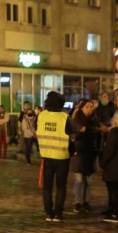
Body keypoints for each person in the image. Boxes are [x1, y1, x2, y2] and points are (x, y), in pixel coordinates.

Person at [38, 91, 72, 222]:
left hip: (46, 155)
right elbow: (70, 136)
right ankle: (58, 214)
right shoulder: (65, 117)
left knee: (47, 187)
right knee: (61, 186)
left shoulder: (41, 116)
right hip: (62, 156)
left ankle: (48, 213)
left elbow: (37, 133)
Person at [70, 99, 101, 213]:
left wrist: (98, 150)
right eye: (87, 106)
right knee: (78, 180)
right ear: (82, 108)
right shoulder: (76, 121)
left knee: (88, 181)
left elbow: (98, 137)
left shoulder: (95, 121)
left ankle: (86, 201)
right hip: (79, 153)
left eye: (91, 107)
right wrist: (80, 133)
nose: (90, 109)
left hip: (91, 153)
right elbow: (72, 136)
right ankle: (77, 202)